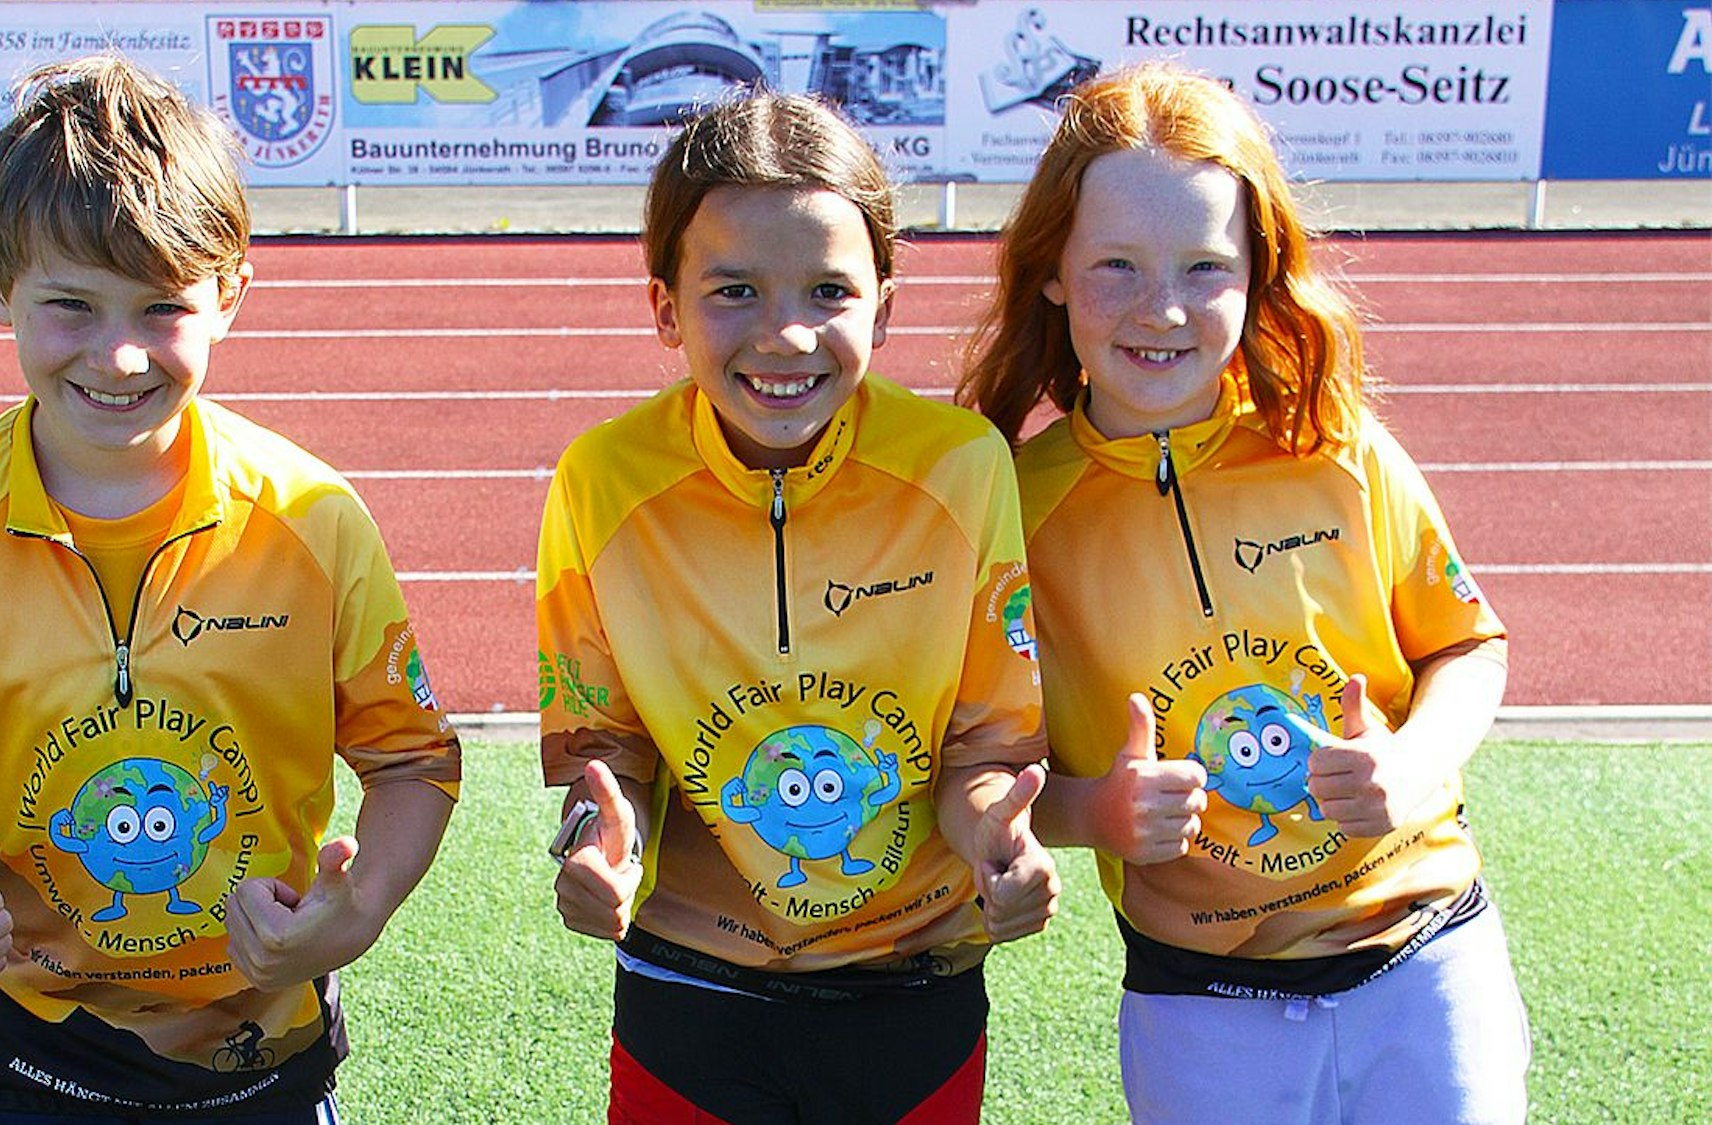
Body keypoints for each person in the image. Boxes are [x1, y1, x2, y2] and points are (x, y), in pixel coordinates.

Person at [0, 55, 461, 1121]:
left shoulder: (314, 518)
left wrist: (362, 906)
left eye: (161, 308)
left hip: (265, 1055)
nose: (117, 355)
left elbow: (411, 759)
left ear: (231, 289)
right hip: (30, 1057)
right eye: (70, 305)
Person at [958, 62, 1530, 1123]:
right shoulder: (1012, 513)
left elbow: (1467, 645)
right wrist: (1097, 813)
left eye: (1203, 266)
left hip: (1427, 967)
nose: (1161, 308)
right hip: (1199, 1008)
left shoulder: (1333, 444)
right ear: (1048, 270)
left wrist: (1408, 768)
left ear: (1259, 269)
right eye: (1115, 266)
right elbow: (990, 762)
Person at [535, 89, 1058, 1124]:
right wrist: (603, 841)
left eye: (826, 291)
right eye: (732, 290)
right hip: (690, 990)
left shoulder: (961, 469)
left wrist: (998, 833)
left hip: (913, 989)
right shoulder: (600, 482)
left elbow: (981, 750)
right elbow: (607, 750)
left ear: (885, 305)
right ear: (662, 305)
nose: (783, 336)